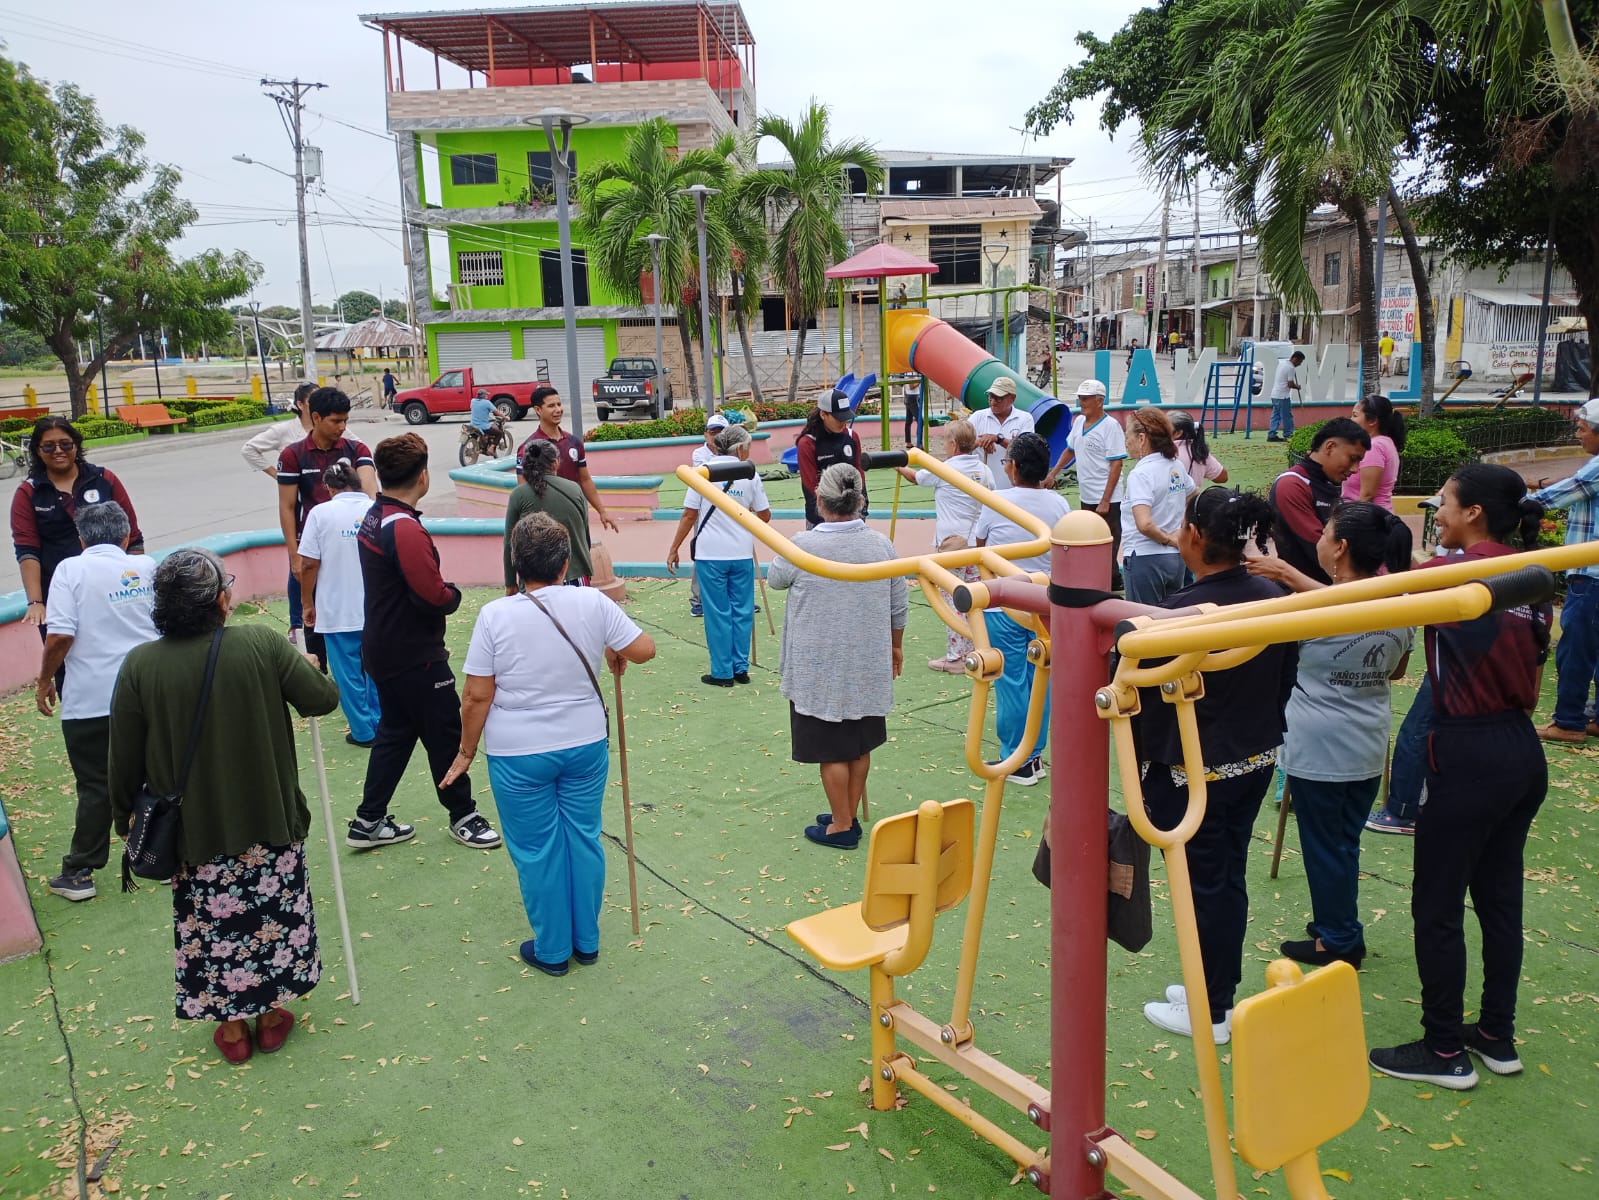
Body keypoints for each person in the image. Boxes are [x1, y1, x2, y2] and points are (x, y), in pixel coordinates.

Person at [107, 548, 340, 1064]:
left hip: (195, 830)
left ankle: (231, 1028)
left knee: (210, 924)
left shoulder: (141, 665)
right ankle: (272, 1016)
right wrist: (308, 667)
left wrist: (125, 817)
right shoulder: (260, 643)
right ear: (219, 600)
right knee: (274, 914)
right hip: (268, 818)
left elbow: (122, 756)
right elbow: (322, 699)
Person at [1368, 465, 1552, 1090]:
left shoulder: (1451, 574)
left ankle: (1444, 1048)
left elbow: (1359, 602)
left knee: (1438, 904)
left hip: (1469, 752)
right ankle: (1496, 1034)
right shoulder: (1533, 575)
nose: (1437, 512)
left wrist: (1287, 575)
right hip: (1520, 750)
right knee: (1499, 901)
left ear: (1473, 512)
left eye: (1443, 502)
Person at [443, 513, 656, 976]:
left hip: (519, 752)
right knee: (583, 837)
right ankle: (586, 941)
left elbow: (476, 695)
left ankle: (554, 949)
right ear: (565, 564)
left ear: (516, 564)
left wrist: (465, 751)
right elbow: (645, 650)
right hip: (584, 743)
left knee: (538, 849)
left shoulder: (495, 615)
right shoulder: (592, 602)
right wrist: (613, 646)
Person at [1139, 488, 1297, 1045]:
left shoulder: (1180, 613)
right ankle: (1211, 983)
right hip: (1253, 758)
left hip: (1196, 769)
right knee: (1225, 875)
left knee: (1207, 884)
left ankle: (1212, 1008)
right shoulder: (1272, 596)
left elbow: (1139, 690)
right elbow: (1285, 676)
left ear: (1195, 536)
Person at [1276, 502, 1414, 968]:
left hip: (1320, 746)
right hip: (1368, 741)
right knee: (1342, 842)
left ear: (1340, 548)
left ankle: (1338, 939)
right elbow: (1397, 670)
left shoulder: (1312, 609)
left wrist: (1285, 574)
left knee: (1325, 847)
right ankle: (1335, 923)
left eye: (1324, 533)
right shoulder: (1401, 603)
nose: (1318, 540)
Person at [352, 434, 501, 851]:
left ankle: (368, 820)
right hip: (413, 654)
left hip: (383, 646)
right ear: (422, 477)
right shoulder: (403, 527)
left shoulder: (375, 516)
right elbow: (432, 594)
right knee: (444, 732)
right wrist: (453, 595)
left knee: (396, 732)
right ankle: (463, 814)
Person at [768, 464, 907, 849]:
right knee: (858, 743)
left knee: (832, 749)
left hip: (819, 666)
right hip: (866, 658)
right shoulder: (880, 545)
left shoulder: (802, 545)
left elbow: (775, 579)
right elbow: (898, 603)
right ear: (860, 499)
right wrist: (896, 645)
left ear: (820, 500)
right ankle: (846, 812)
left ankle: (842, 824)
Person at [36, 504, 157, 902]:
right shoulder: (147, 566)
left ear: (81, 538)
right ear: (126, 536)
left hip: (91, 699)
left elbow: (60, 635)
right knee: (157, 773)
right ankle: (164, 853)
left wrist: (45, 679)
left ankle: (79, 873)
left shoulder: (70, 570)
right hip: (147, 692)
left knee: (95, 785)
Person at [11, 417, 145, 685]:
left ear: (76, 445)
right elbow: (27, 550)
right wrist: (36, 602)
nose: (58, 451)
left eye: (65, 444)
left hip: (111, 590)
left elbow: (133, 537)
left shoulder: (104, 479)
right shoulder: (29, 493)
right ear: (37, 450)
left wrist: (138, 584)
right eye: (48, 446)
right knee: (66, 663)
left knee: (127, 659)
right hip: (59, 593)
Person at [973, 432, 1073, 784]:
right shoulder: (1059, 505)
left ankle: (1016, 757)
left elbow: (980, 545)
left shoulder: (997, 501)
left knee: (1011, 680)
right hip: (1043, 602)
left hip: (1004, 604)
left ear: (1013, 466)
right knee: (1039, 677)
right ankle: (1033, 755)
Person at [276, 387, 378, 664]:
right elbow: (287, 507)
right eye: (336, 421)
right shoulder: (293, 455)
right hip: (311, 547)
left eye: (345, 420)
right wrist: (294, 555)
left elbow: (370, 494)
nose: (342, 427)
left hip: (351, 542)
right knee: (309, 617)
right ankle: (316, 667)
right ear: (316, 417)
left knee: (362, 610)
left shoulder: (357, 450)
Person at [667, 423, 772, 686]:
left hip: (711, 554)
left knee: (717, 613)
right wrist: (743, 518)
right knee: (742, 611)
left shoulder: (702, 473)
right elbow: (765, 515)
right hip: (741, 553)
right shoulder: (750, 474)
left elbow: (689, 514)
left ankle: (723, 672)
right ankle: (740, 668)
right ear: (740, 448)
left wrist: (674, 548)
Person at [893, 419, 996, 673]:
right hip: (977, 543)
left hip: (953, 543)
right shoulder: (984, 470)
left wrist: (899, 465)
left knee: (953, 600)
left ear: (954, 444)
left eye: (945, 442)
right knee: (976, 598)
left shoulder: (945, 469)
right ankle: (978, 647)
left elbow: (917, 477)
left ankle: (957, 655)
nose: (944, 446)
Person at [297, 462, 383, 748]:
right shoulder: (376, 509)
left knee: (347, 674)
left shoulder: (320, 514)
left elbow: (308, 564)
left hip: (336, 609)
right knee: (376, 669)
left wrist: (306, 602)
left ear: (329, 488)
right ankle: (381, 723)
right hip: (375, 607)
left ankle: (363, 731)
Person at [1528, 398, 1599, 744]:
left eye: (1582, 429)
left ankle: (1569, 722)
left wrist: (1513, 502)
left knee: (1575, 649)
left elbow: (1563, 493)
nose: (1577, 434)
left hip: (1591, 575)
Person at [242, 382, 316, 639]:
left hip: (320, 501)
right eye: (313, 400)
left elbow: (358, 449)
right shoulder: (285, 431)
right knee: (298, 561)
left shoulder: (327, 426)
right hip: (297, 502)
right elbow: (249, 449)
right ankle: (297, 623)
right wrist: (279, 475)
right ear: (300, 405)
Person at [1268, 417, 1370, 586]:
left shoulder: (1326, 483)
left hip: (1331, 588)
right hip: (1302, 593)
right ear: (1330, 447)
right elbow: (1322, 549)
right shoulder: (1292, 485)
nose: (1355, 469)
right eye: (1353, 458)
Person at [1046, 380, 1127, 589]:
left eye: (1086, 398)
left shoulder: (1111, 427)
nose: (1081, 402)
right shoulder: (1080, 422)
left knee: (1108, 541)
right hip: (1087, 494)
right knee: (1090, 539)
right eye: (1080, 398)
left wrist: (1105, 499)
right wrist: (1053, 473)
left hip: (1107, 497)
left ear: (1099, 401)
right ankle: (1100, 579)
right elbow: (1070, 450)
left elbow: (1116, 464)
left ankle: (1110, 581)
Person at [513, 386, 620, 532]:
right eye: (551, 406)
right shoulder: (529, 448)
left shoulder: (574, 443)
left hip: (575, 517)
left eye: (559, 404)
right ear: (538, 410)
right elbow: (523, 488)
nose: (558, 409)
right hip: (546, 525)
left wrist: (602, 511)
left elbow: (585, 480)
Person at [1120, 408, 1194, 605]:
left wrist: (1168, 539)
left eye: (1127, 436)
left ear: (1141, 438)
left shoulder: (1141, 474)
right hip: (1175, 561)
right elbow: (1194, 494)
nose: (1126, 442)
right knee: (1170, 617)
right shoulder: (1175, 465)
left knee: (1144, 618)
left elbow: (1144, 524)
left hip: (1145, 557)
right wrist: (1181, 531)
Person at [505, 441, 591, 591]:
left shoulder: (519, 495)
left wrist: (510, 583)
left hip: (534, 583)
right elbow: (585, 535)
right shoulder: (574, 489)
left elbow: (509, 544)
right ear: (555, 463)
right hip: (576, 577)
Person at [796, 388, 866, 530]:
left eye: (845, 417)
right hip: (821, 518)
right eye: (838, 418)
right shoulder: (807, 443)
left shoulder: (852, 437)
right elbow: (811, 486)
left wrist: (862, 507)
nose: (843, 422)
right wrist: (828, 517)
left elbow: (859, 473)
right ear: (823, 414)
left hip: (852, 514)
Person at [687, 413, 731, 617]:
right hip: (705, 510)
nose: (717, 437)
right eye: (713, 433)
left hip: (729, 508)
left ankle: (731, 597)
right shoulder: (699, 454)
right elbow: (708, 475)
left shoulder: (735, 453)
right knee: (701, 553)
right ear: (706, 434)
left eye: (722, 433)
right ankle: (698, 600)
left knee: (731, 553)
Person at [1343, 394, 1407, 511]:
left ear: (1372, 421)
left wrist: (1354, 519)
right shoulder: (1384, 442)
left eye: (1355, 415)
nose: (1350, 420)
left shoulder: (1374, 447)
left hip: (1368, 517)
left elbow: (1367, 495)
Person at [968, 376, 1034, 475]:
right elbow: (960, 448)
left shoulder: (1025, 418)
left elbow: (1026, 451)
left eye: (999, 398)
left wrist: (998, 439)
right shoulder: (977, 417)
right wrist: (981, 442)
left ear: (1012, 398)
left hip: (1012, 483)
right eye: (991, 396)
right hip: (981, 483)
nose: (993, 401)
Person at [1170, 410, 1228, 491]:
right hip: (1192, 498)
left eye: (1163, 428)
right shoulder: (1199, 452)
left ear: (1178, 433)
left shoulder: (1163, 451)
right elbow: (1222, 477)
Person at [1267, 350, 1306, 442]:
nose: (1300, 364)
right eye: (1300, 362)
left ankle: (1271, 435)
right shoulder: (1291, 368)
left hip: (1275, 395)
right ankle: (1288, 434)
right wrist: (1297, 387)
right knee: (1287, 416)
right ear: (1295, 359)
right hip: (1283, 396)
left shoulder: (1282, 364)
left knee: (1276, 415)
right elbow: (1290, 384)